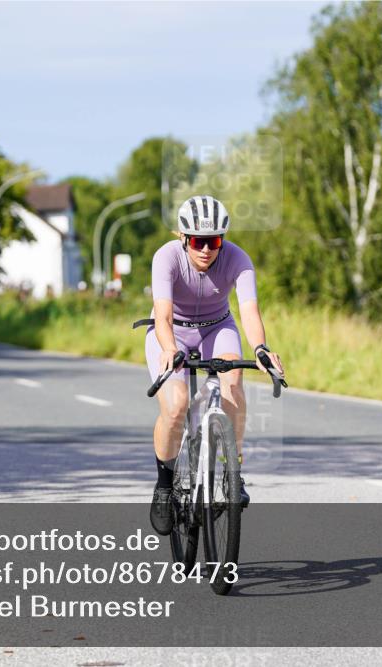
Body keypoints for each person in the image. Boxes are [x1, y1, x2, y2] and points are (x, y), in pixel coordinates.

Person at [143, 195, 285, 536]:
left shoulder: (238, 259)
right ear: (183, 237)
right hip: (171, 332)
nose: (206, 249)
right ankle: (164, 486)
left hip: (217, 327)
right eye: (198, 241)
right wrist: (169, 349)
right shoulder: (166, 257)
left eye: (215, 241)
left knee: (233, 382)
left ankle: (232, 473)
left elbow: (249, 310)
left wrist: (262, 348)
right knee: (176, 406)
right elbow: (162, 314)